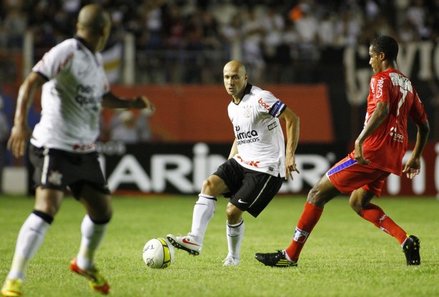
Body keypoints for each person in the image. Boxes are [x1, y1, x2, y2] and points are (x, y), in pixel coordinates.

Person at [1, 4, 155, 296]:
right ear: (103, 31)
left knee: (102, 211)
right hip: (54, 145)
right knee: (47, 206)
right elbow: (30, 81)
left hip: (84, 150)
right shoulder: (67, 51)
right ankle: (14, 279)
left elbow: (102, 97)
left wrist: (130, 103)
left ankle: (84, 261)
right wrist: (18, 124)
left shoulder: (94, 61)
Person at [255, 35, 430, 267]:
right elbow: (424, 126)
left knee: (316, 194)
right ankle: (405, 240)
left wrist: (360, 139)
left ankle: (290, 255)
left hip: (371, 151)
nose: (369, 62)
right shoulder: (408, 85)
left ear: (381, 56)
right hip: (393, 155)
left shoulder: (380, 79)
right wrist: (416, 155)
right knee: (358, 202)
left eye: (371, 57)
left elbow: (382, 108)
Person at [166, 60, 300, 266]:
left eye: (236, 77)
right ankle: (194, 239)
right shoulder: (232, 107)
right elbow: (240, 136)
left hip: (266, 167)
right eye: (227, 77)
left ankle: (233, 257)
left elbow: (292, 119)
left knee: (232, 212)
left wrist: (290, 155)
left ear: (245, 78)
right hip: (242, 161)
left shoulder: (260, 98)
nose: (230, 81)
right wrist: (229, 164)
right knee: (209, 184)